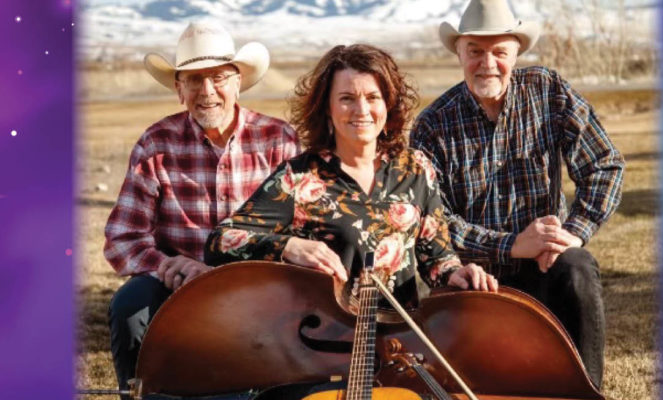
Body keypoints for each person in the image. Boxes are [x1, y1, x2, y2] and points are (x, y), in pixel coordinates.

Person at [409, 0, 624, 388]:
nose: (487, 63)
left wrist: (573, 233)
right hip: (476, 277)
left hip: (546, 264)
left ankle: (587, 392)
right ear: (459, 53)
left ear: (516, 53)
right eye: (475, 51)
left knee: (577, 267)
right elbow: (433, 222)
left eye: (499, 52)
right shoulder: (432, 125)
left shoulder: (548, 91)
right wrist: (511, 245)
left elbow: (604, 165)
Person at [204, 44, 498, 315]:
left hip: (403, 336)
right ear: (327, 108)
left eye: (372, 97)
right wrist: (289, 246)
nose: (362, 110)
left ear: (388, 104)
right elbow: (220, 242)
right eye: (347, 99)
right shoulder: (299, 178)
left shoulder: (416, 168)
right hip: (327, 339)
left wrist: (456, 273)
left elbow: (437, 259)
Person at [103, 21, 300, 395]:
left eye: (218, 77)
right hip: (177, 286)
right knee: (130, 306)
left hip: (256, 284)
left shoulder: (279, 140)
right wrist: (170, 268)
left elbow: (302, 229)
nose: (207, 91)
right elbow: (122, 239)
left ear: (238, 82)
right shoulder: (156, 142)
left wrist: (240, 276)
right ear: (179, 89)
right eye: (194, 80)